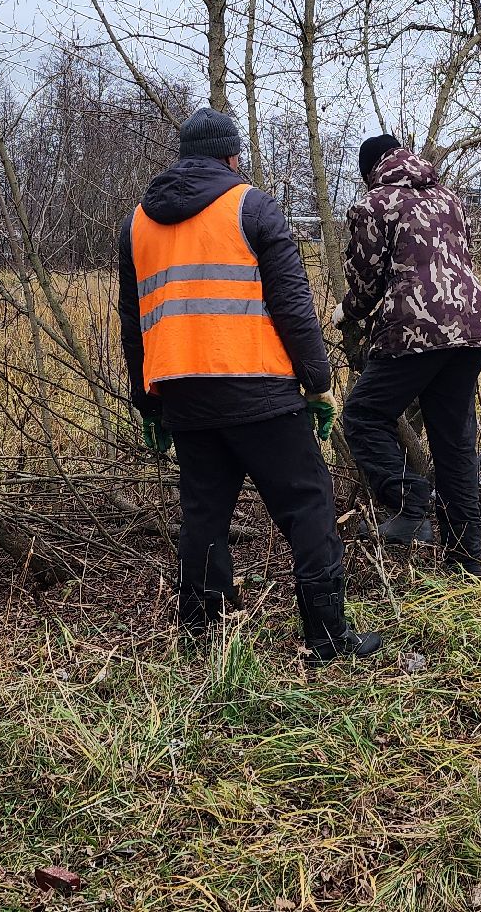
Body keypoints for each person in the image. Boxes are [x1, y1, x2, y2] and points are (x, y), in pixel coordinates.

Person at [118, 107, 381, 662]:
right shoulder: (252, 206)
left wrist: (147, 402)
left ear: (184, 157)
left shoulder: (137, 224)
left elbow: (132, 321)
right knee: (308, 504)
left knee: (204, 513)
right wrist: (318, 383)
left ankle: (199, 632)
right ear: (233, 156)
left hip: (183, 394)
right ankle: (328, 636)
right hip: (258, 388)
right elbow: (293, 307)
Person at [335, 135, 481, 573]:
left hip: (416, 327)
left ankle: (411, 502)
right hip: (471, 327)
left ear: (370, 170)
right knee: (455, 445)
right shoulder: (449, 199)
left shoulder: (374, 204)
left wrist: (346, 311)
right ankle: (467, 560)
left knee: (363, 416)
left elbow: (365, 283)